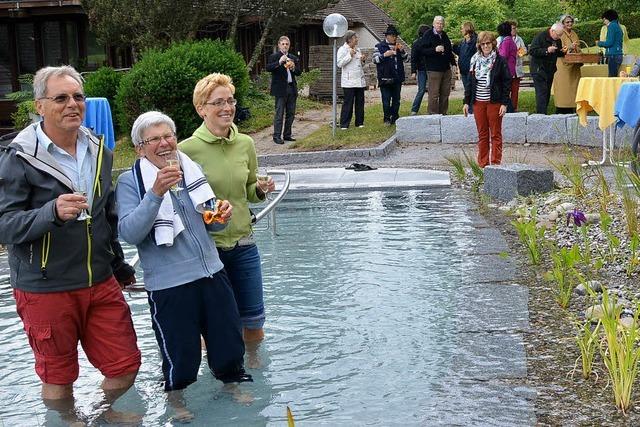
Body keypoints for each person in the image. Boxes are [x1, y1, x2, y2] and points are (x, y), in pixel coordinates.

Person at [0, 66, 140, 424]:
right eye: (60, 98)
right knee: (58, 376)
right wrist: (51, 212)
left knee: (125, 365)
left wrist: (119, 264)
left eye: (78, 97)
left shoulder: (99, 149)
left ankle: (96, 415)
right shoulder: (18, 157)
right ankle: (67, 421)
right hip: (45, 286)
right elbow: (4, 225)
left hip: (98, 280)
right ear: (40, 106)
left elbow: (106, 216)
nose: (72, 104)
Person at [116, 111, 252, 418]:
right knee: (181, 350)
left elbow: (211, 225)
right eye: (155, 139)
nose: (165, 144)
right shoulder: (130, 183)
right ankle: (176, 399)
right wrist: (155, 194)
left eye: (169, 136)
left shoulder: (191, 171)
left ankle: (231, 384)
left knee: (228, 337)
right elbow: (129, 233)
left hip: (212, 271)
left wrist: (221, 215)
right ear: (140, 148)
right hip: (169, 284)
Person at [179, 73, 276, 345]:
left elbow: (248, 191)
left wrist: (260, 189)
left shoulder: (246, 143)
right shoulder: (185, 150)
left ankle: (257, 376)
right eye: (218, 102)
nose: (227, 107)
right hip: (209, 250)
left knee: (255, 324)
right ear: (201, 109)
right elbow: (182, 204)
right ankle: (218, 381)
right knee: (214, 329)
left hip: (245, 245)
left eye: (230, 100)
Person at [463, 31, 511, 168]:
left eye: (488, 43)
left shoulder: (500, 61)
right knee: (482, 134)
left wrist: (504, 103)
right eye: (483, 44)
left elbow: (506, 83)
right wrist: (466, 102)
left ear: (493, 44)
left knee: (495, 134)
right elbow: (469, 83)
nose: (485, 46)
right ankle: (483, 164)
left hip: (494, 102)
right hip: (478, 102)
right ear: (479, 45)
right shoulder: (474, 60)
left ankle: (495, 164)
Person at [266, 35, 301, 144]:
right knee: (279, 113)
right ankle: (277, 136)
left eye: (287, 44)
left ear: (289, 46)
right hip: (280, 89)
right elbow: (268, 68)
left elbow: (299, 72)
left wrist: (293, 67)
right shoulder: (274, 56)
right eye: (283, 44)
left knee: (291, 113)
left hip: (291, 88)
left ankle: (287, 135)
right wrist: (279, 62)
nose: (285, 46)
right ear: (279, 45)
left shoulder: (293, 57)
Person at [373, 24, 408, 125]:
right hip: (385, 78)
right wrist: (384, 55)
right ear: (387, 36)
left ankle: (395, 117)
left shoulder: (398, 46)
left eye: (395, 36)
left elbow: (407, 59)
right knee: (386, 100)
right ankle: (387, 118)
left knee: (396, 100)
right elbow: (374, 60)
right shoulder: (379, 46)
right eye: (392, 36)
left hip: (397, 78)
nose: (394, 38)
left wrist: (402, 51)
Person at [422, 16, 456, 115]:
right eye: (437, 23)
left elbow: (449, 50)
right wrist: (434, 50)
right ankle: (433, 114)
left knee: (445, 93)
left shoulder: (445, 35)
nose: (439, 25)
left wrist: (453, 63)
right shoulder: (428, 35)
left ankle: (443, 113)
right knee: (434, 94)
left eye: (441, 23)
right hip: (434, 69)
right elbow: (422, 51)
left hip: (446, 68)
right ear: (433, 24)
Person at [529, 22, 565, 114]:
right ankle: (541, 115)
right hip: (539, 69)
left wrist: (563, 51)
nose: (559, 37)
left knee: (547, 92)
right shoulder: (540, 36)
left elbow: (558, 53)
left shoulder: (557, 39)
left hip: (550, 69)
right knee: (542, 92)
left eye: (561, 35)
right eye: (558, 34)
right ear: (552, 31)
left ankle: (544, 113)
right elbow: (532, 51)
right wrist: (546, 50)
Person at [337, 30, 366, 129]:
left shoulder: (358, 49)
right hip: (349, 81)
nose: (357, 39)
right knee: (348, 103)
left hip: (359, 80)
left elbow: (359, 65)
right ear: (349, 39)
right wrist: (349, 55)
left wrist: (363, 60)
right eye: (355, 38)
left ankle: (359, 122)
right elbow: (339, 63)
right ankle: (344, 124)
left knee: (360, 102)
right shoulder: (342, 49)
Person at [553, 14, 582, 114]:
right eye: (567, 22)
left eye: (571, 22)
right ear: (563, 24)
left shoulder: (574, 33)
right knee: (563, 89)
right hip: (563, 65)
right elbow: (559, 50)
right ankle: (561, 110)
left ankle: (573, 109)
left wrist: (577, 49)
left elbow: (578, 47)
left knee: (574, 89)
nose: (570, 24)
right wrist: (570, 47)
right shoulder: (560, 33)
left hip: (574, 66)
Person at [453, 21, 477, 107]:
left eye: (462, 28)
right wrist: (453, 47)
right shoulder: (464, 41)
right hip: (463, 69)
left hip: (471, 70)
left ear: (467, 29)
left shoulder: (474, 40)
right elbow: (461, 53)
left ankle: (472, 107)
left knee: (472, 89)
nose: (461, 30)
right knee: (467, 90)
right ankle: (469, 106)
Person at [497, 22, 518, 113]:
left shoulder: (506, 41)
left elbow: (503, 55)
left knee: (504, 91)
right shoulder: (509, 40)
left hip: (506, 69)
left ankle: (509, 110)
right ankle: (509, 109)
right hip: (510, 68)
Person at [410, 24, 430, 115]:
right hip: (422, 69)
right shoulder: (416, 44)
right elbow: (413, 58)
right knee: (421, 90)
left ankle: (432, 109)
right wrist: (413, 71)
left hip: (430, 68)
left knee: (432, 91)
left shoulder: (430, 42)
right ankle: (414, 109)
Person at [596, 10, 624, 77]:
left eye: (604, 20)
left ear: (607, 18)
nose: (604, 22)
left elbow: (609, 43)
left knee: (612, 77)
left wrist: (599, 43)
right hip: (618, 54)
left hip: (613, 55)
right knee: (614, 76)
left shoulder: (611, 26)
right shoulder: (618, 26)